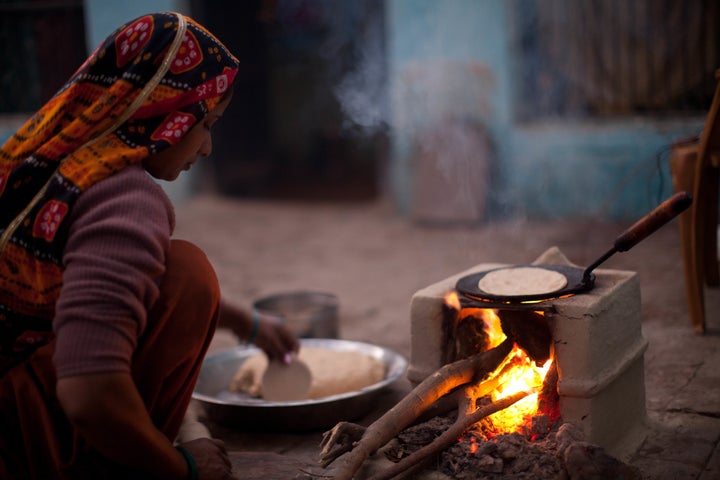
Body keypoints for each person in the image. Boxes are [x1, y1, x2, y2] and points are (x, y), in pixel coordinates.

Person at [0, 11, 298, 479]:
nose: (206, 149)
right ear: (163, 113)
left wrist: (244, 321)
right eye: (206, 124)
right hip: (14, 440)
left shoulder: (45, 158)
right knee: (189, 275)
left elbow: (91, 286)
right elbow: (88, 391)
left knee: (174, 272)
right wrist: (182, 467)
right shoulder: (123, 195)